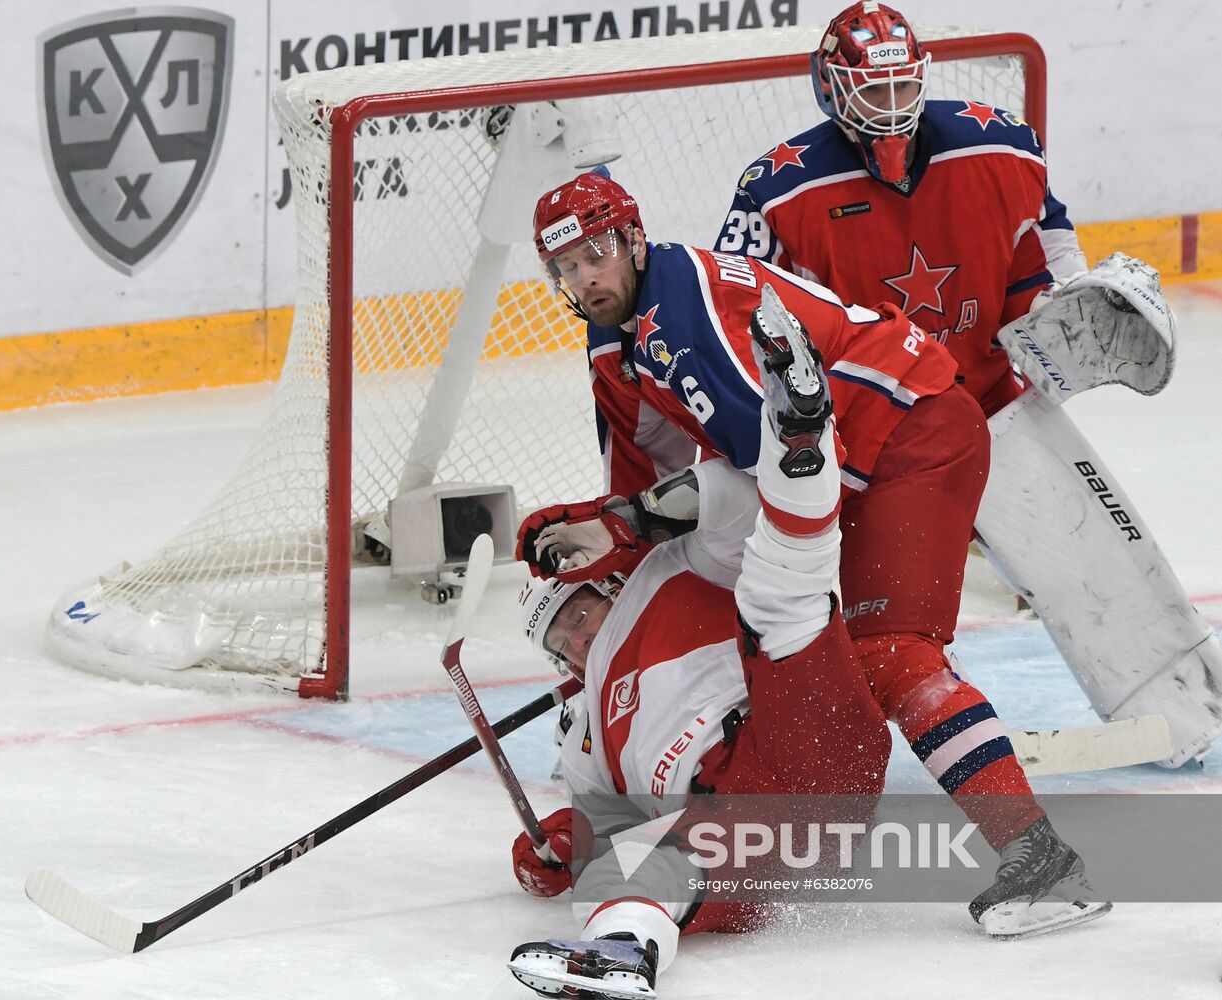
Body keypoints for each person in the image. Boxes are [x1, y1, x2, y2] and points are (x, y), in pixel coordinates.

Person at [520, 170, 1109, 939]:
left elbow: (782, 462)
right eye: (565, 267)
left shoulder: (684, 320)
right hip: (864, 451)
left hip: (907, 432)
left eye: (596, 253)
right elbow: (674, 481)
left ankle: (1039, 859)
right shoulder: (625, 331)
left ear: (632, 239)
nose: (584, 277)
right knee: (846, 647)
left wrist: (628, 520)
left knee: (892, 652)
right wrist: (618, 534)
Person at [717, 0, 1219, 766]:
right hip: (875, 443)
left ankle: (1186, 715)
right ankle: (762, 745)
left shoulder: (1001, 146)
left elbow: (1048, 263)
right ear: (830, 88)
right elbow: (739, 315)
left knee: (1101, 571)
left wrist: (1068, 311)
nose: (889, 109)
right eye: (870, 91)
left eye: (899, 87)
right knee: (836, 611)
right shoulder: (775, 188)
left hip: (994, 405)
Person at [507, 308, 893, 998]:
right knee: (623, 868)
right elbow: (605, 824)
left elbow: (736, 497)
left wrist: (625, 520)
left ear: (607, 584)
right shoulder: (585, 728)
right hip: (749, 839)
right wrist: (562, 842)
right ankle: (620, 954)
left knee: (783, 596)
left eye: (577, 615)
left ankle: (798, 432)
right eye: (557, 643)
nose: (574, 643)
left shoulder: (673, 569)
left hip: (796, 742)